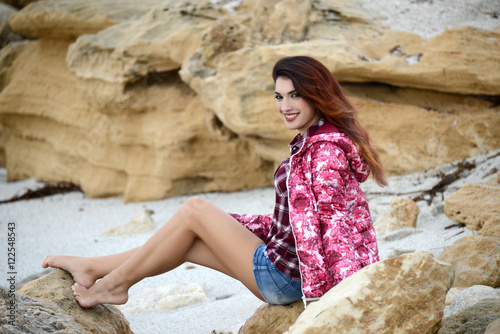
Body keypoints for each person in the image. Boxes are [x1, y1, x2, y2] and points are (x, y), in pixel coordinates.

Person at [42, 56, 387, 308]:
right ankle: (92, 268)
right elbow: (300, 221)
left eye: (295, 95)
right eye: (279, 96)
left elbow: (335, 228)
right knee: (184, 240)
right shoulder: (315, 142)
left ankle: (113, 286)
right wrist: (247, 226)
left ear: (316, 94)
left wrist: (342, 298)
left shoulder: (325, 152)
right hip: (285, 261)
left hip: (285, 278)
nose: (285, 106)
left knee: (194, 210)